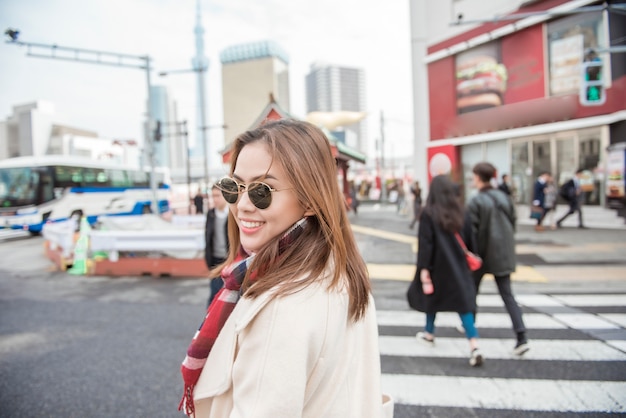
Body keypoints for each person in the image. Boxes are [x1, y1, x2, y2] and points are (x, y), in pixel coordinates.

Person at [178, 119, 390, 418]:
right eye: (234, 187)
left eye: (262, 190)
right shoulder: (340, 268)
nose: (242, 205)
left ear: (309, 200)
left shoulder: (279, 306)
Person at [411, 175, 483, 367]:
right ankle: (474, 345)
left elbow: (426, 244)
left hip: (437, 268)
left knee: (431, 299)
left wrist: (424, 268)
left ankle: (429, 333)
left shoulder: (428, 213)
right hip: (458, 268)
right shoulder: (462, 212)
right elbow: (471, 241)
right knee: (464, 307)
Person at [467, 162, 529, 356]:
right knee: (508, 296)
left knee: (471, 292)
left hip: (482, 255)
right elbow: (513, 223)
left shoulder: (476, 201)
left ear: (478, 177)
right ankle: (521, 336)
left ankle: (471, 328)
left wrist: (471, 254)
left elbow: (471, 233)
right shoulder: (504, 197)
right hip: (504, 254)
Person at [204, 184, 230, 307]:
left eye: (217, 195)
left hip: (229, 258)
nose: (215, 199)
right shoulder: (211, 214)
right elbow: (207, 236)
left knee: (229, 292)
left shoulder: (232, 214)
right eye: (213, 196)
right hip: (214, 258)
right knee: (214, 292)